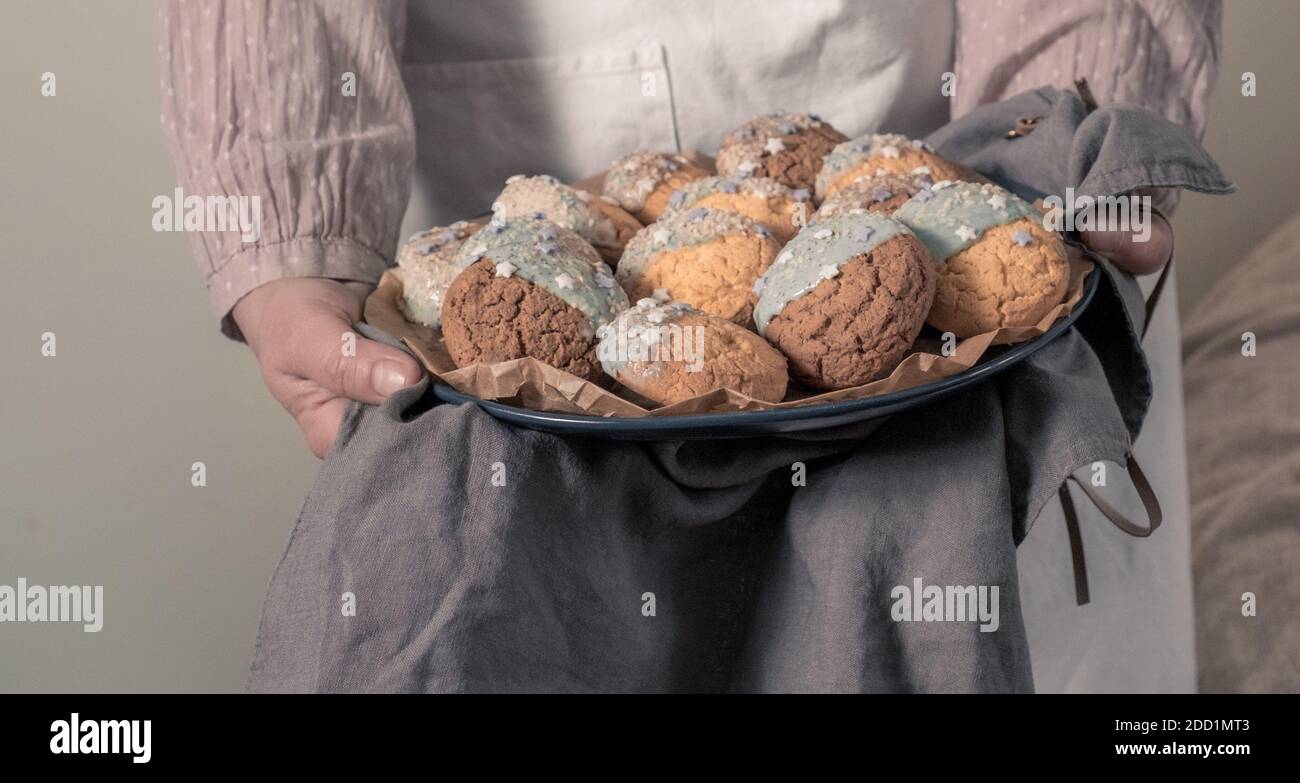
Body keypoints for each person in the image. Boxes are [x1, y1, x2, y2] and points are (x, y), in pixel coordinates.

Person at [160, 0, 1220, 691]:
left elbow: (1060, 126)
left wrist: (1068, 118)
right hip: (524, 296)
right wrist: (285, 212)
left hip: (976, 281)